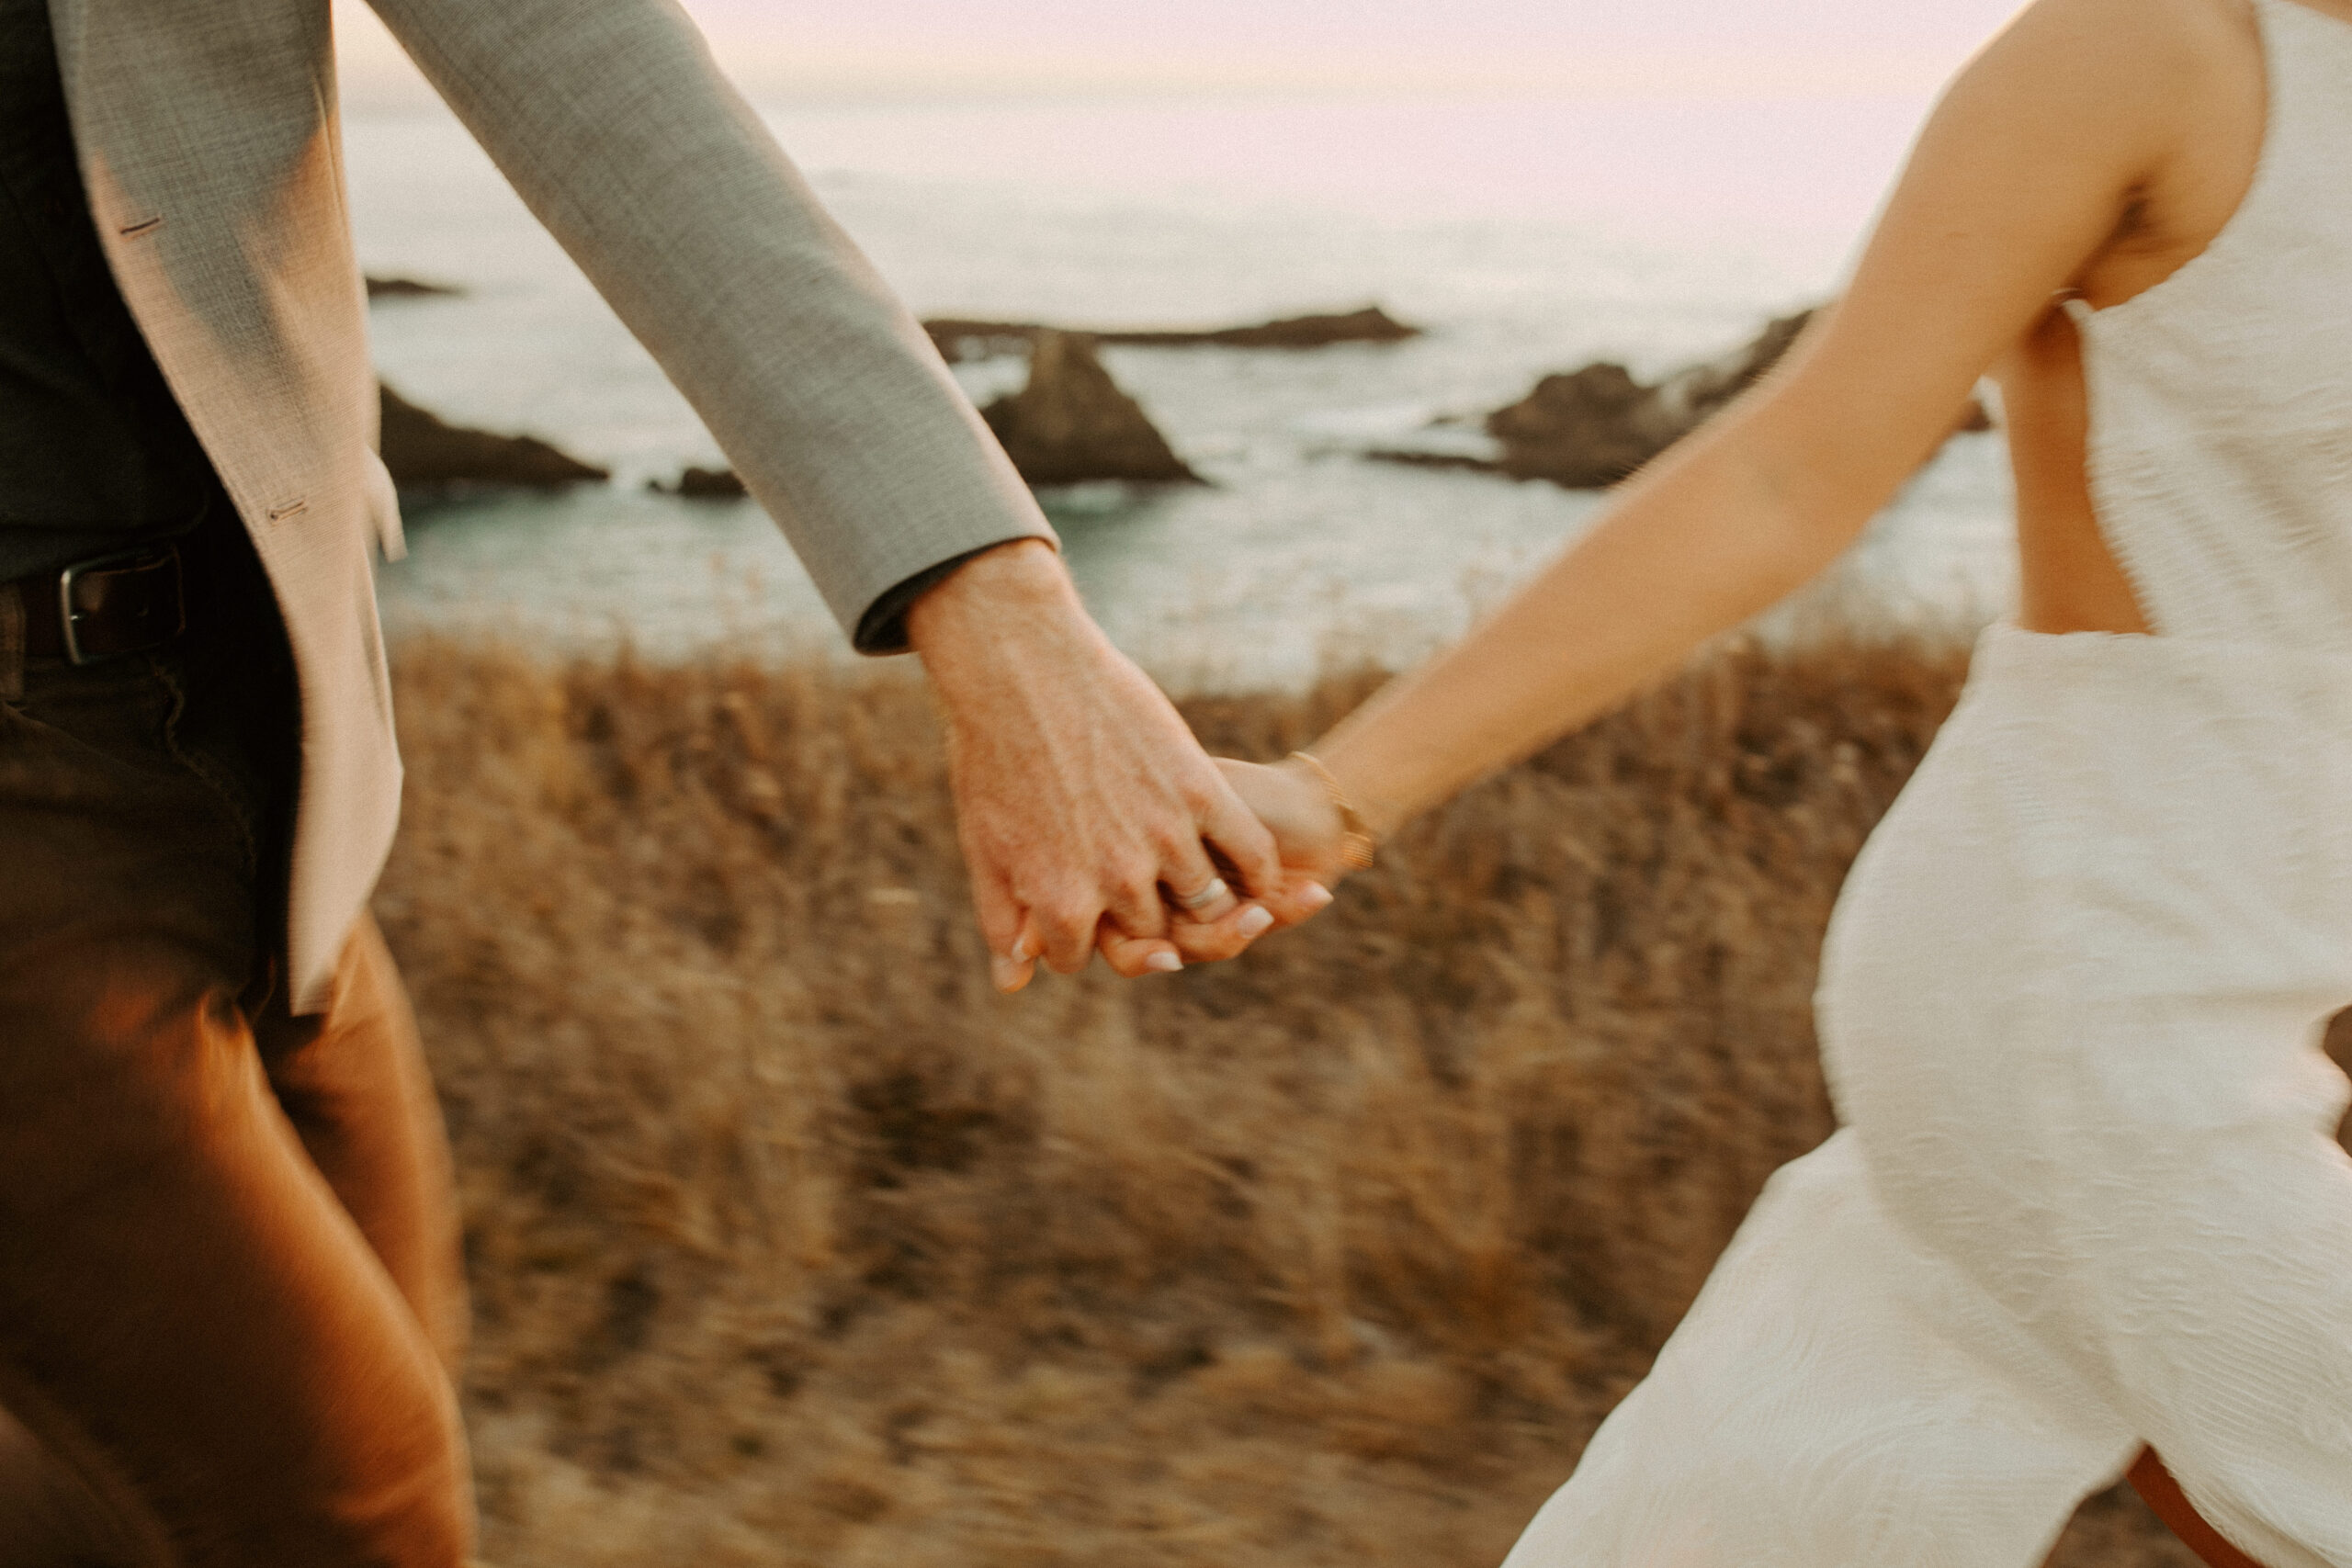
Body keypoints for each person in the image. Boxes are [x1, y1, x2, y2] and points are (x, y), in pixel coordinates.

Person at [0, 0, 1318, 1562]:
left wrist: (1005, 619)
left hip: (270, 735)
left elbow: (580, 52)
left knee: (198, 1468)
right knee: (353, 1512)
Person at [1224, 0, 2352, 1562]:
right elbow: (1785, 472)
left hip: (2290, 965)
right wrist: (1338, 793)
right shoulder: (2160, 50)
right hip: (2098, 970)